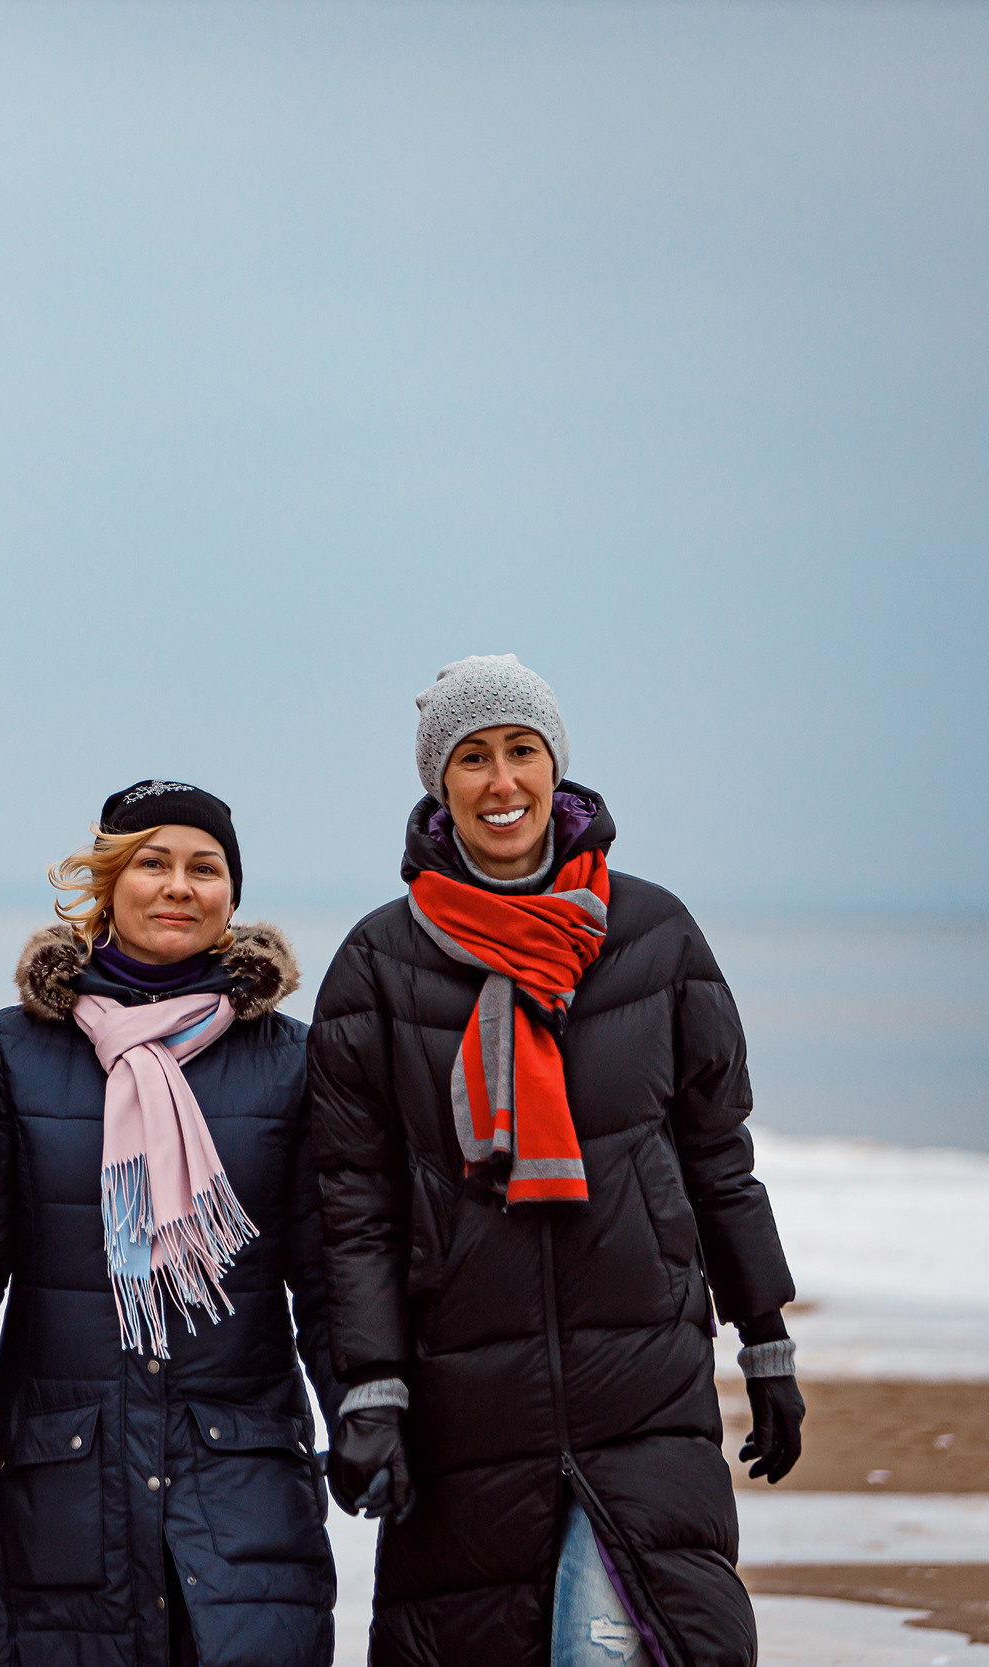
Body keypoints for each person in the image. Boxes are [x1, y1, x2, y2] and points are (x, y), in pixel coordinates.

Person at [308, 656, 804, 1667]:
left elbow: (716, 1154)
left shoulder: (655, 936)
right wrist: (369, 1385)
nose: (501, 782)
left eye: (521, 750)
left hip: (644, 1390)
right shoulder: (378, 965)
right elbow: (354, 1203)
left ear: (556, 765)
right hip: (462, 1405)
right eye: (473, 756)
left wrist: (765, 1339)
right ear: (437, 784)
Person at [0, 781, 340, 1667]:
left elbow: (327, 1274)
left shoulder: (290, 1060)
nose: (178, 886)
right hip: (54, 1492)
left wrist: (366, 1408)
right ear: (108, 883)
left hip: (242, 1502)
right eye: (151, 862)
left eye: (205, 867)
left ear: (231, 895)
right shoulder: (15, 1049)